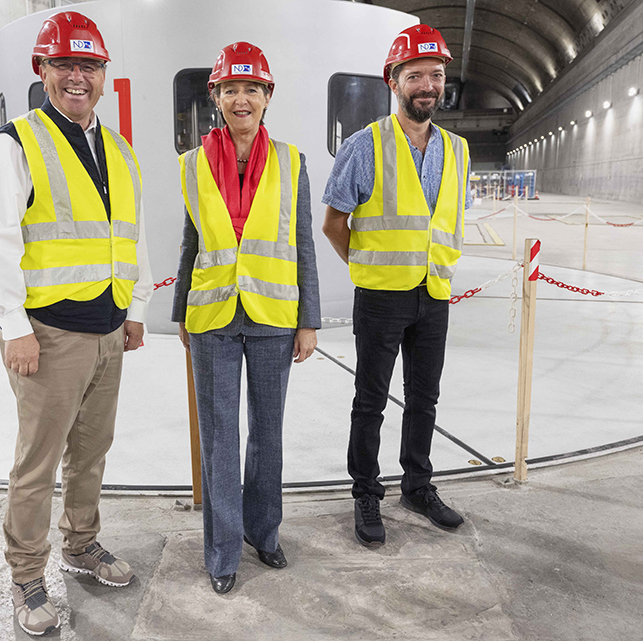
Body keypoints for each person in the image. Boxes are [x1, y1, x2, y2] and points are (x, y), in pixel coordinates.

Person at [0, 11, 151, 636]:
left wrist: (134, 311)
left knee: (91, 451)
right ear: (42, 71)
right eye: (64, 64)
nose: (78, 77)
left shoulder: (120, 152)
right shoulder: (17, 142)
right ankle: (27, 574)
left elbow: (130, 238)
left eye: (89, 66)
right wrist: (12, 324)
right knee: (37, 463)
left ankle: (81, 544)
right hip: (48, 335)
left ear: (103, 75)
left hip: (107, 331)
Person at [171, 42, 320, 594]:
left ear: (267, 97)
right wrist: (179, 310)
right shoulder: (191, 165)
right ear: (215, 96)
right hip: (210, 314)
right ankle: (222, 552)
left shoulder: (292, 160)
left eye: (251, 88)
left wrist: (309, 320)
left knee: (268, 435)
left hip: (273, 316)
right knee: (220, 439)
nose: (241, 99)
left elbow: (303, 242)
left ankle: (265, 533)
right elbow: (190, 243)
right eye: (230, 88)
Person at [322, 24, 472, 547]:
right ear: (393, 81)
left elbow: (446, 221)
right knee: (371, 400)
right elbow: (334, 223)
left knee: (424, 399)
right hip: (382, 296)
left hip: (434, 294)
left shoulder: (457, 149)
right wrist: (366, 265)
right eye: (415, 75)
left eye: (435, 74)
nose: (427, 84)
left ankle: (417, 485)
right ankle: (366, 492)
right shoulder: (365, 145)